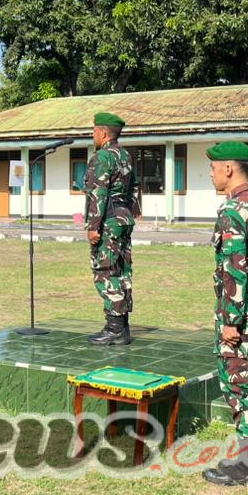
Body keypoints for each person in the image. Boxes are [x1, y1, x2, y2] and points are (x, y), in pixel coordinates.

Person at [200, 141, 248, 489]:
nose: (211, 173)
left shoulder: (233, 211)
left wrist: (231, 320)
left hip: (241, 312)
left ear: (229, 169)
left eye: (214, 168)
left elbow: (235, 271)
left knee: (240, 383)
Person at [83, 112, 141, 346]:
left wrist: (93, 226)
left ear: (104, 133)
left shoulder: (102, 157)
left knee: (105, 271)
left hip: (108, 220)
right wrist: (134, 209)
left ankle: (114, 328)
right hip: (123, 218)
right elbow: (135, 185)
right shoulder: (125, 156)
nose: (92, 135)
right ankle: (122, 326)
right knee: (121, 270)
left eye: (95, 131)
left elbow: (99, 193)